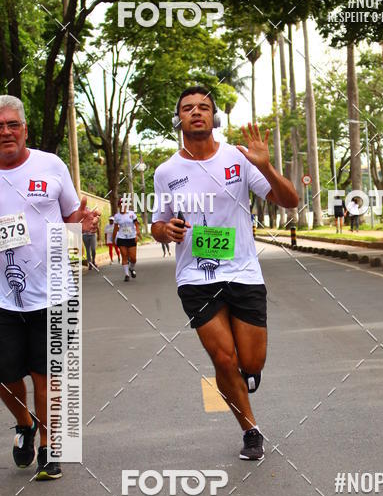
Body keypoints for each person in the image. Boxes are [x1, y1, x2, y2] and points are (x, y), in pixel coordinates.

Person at [151, 85, 298, 460]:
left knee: (250, 362)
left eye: (204, 107)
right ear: (178, 119)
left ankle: (245, 375)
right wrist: (165, 231)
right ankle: (250, 430)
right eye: (188, 108)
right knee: (224, 359)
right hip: (196, 278)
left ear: (214, 118)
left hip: (244, 272)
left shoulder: (239, 158)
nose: (196, 113)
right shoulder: (167, 171)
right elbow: (157, 223)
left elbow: (290, 201)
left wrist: (264, 166)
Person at [0, 95, 99, 479]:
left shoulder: (51, 165)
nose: (7, 132)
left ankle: (49, 448)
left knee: (47, 375)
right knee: (4, 375)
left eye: (13, 124)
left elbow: (71, 214)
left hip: (54, 292)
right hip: (3, 297)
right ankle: (25, 425)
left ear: (25, 129)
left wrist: (84, 221)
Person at [112, 197, 140, 282]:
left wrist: (137, 234)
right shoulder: (117, 216)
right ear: (119, 205)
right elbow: (116, 228)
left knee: (133, 258)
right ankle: (126, 275)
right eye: (121, 204)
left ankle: (131, 268)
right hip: (122, 237)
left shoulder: (131, 214)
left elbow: (136, 224)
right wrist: (113, 239)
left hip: (131, 237)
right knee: (124, 255)